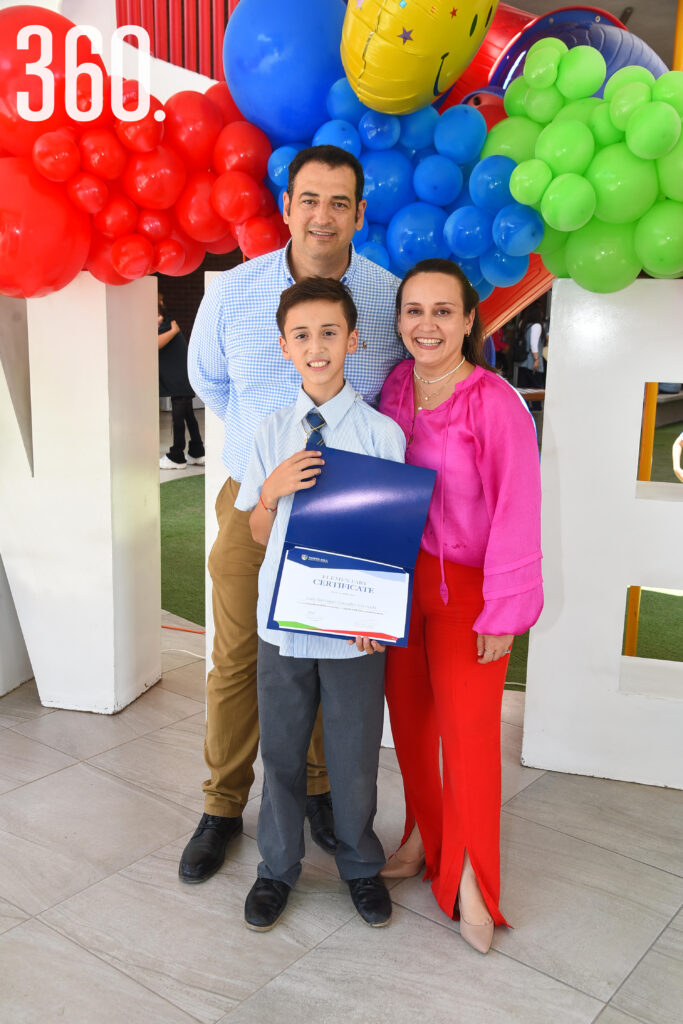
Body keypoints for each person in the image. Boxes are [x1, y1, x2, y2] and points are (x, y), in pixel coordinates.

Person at [184, 145, 404, 884]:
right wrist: (264, 457)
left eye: (339, 202)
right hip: (255, 497)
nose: (322, 215)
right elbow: (212, 384)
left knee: (324, 659)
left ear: (359, 214)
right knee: (241, 659)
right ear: (285, 206)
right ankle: (221, 805)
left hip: (344, 515)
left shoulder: (385, 296)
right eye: (309, 199)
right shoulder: (234, 294)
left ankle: (316, 791)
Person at [378, 258, 543, 954]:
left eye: (442, 311)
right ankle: (421, 837)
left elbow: (516, 510)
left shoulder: (494, 402)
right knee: (410, 730)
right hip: (398, 586)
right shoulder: (392, 388)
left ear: (470, 319)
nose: (426, 325)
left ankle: (472, 879)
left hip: (471, 593)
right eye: (414, 310)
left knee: (469, 740)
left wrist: (503, 616)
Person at [236, 277, 405, 930]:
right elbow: (255, 530)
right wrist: (271, 494)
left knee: (354, 752)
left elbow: (392, 540)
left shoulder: (380, 435)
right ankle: (275, 867)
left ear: (352, 340)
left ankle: (360, 864)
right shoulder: (272, 430)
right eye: (301, 335)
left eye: (328, 333)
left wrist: (377, 620)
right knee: (278, 752)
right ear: (284, 346)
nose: (316, 346)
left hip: (353, 634)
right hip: (281, 624)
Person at [158, 294, 205, 469]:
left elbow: (155, 344)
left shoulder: (166, 324)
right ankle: (197, 451)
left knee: (179, 418)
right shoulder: (168, 324)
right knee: (187, 416)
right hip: (181, 378)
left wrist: (172, 330)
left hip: (180, 379)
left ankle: (177, 455)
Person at [515, 300, 546, 390]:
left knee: (523, 389)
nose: (542, 314)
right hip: (532, 362)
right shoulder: (537, 326)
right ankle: (536, 405)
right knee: (536, 389)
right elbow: (534, 344)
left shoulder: (523, 324)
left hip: (523, 361)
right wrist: (536, 360)